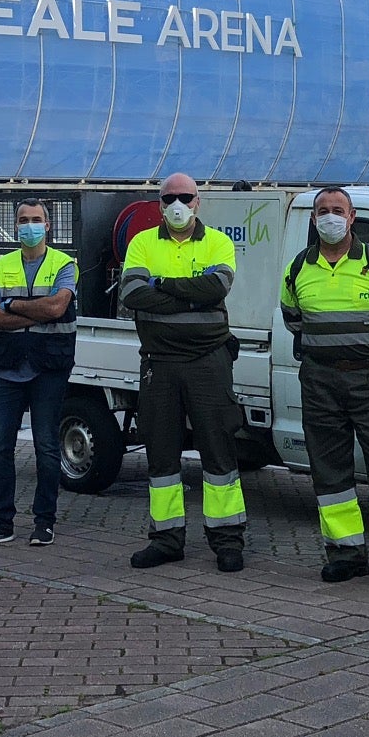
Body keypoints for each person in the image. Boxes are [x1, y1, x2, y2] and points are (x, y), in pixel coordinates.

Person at [279, 187, 369, 591]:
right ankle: (345, 554)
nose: (329, 216)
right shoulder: (297, 268)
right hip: (319, 380)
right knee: (329, 470)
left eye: (337, 210)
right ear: (313, 219)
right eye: (322, 210)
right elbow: (294, 318)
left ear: (352, 215)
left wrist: (361, 351)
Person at [119, 172, 247, 572]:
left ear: (198, 202)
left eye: (185, 197)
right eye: (169, 197)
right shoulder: (141, 242)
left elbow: (217, 289)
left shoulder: (218, 242)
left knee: (218, 450)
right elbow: (133, 294)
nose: (177, 204)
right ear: (159, 204)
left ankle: (227, 541)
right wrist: (190, 296)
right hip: (160, 363)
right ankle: (166, 539)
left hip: (209, 360)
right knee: (160, 453)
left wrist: (163, 287)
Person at [0, 201, 77, 549]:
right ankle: (2, 523)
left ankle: (44, 522)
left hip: (48, 369)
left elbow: (58, 307)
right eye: (22, 221)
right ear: (15, 227)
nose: (28, 226)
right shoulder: (3, 265)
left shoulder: (64, 264)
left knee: (46, 447)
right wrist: (37, 314)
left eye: (35, 220)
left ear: (48, 226)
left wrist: (10, 306)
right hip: (6, 369)